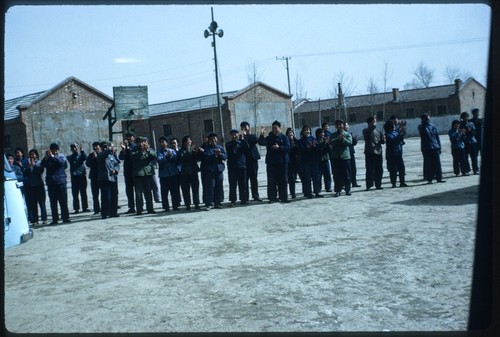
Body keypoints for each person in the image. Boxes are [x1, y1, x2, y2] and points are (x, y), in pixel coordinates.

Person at [258, 120, 290, 203]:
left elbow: (288, 147)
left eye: (276, 128)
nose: (274, 130)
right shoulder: (269, 137)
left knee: (283, 180)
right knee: (271, 181)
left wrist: (279, 147)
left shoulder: (284, 137)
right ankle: (272, 198)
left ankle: (283, 197)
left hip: (282, 162)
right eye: (273, 128)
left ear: (280, 128)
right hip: (271, 163)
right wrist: (262, 134)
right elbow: (261, 142)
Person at [41, 143, 71, 224]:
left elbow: (61, 163)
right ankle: (55, 219)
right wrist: (46, 158)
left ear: (57, 149)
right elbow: (42, 165)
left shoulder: (60, 156)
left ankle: (65, 217)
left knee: (63, 201)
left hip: (60, 182)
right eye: (52, 149)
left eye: (54, 149)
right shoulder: (48, 158)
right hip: (51, 183)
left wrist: (53, 157)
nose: (53, 151)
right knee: (53, 202)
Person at [130, 136, 157, 215]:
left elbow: (154, 155)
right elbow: (133, 157)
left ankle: (150, 209)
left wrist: (147, 150)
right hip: (138, 174)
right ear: (137, 143)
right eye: (140, 142)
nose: (142, 144)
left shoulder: (148, 149)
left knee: (148, 192)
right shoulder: (134, 149)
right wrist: (141, 151)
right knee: (138, 193)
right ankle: (139, 209)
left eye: (143, 142)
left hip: (147, 173)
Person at [201, 133, 227, 210]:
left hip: (219, 170)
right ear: (209, 140)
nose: (213, 140)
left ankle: (218, 202)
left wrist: (220, 155)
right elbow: (206, 157)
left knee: (219, 186)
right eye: (212, 139)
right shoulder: (207, 148)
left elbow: (225, 156)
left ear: (217, 139)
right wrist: (214, 155)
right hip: (210, 171)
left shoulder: (220, 148)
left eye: (215, 139)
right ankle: (209, 203)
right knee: (210, 187)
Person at [327, 120, 352, 197]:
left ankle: (348, 189)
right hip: (335, 157)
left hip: (345, 157)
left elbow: (349, 143)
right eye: (337, 125)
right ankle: (338, 190)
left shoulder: (347, 134)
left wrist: (343, 139)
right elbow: (330, 142)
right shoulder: (333, 135)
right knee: (336, 175)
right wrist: (338, 139)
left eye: (340, 124)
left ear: (343, 125)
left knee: (347, 174)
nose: (339, 126)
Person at [23, 149, 48, 225]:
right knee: (33, 205)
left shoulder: (40, 163)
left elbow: (40, 171)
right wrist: (29, 166)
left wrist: (34, 165)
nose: (32, 156)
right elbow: (25, 173)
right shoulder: (27, 164)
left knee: (42, 204)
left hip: (39, 186)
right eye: (30, 154)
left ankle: (44, 219)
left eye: (33, 154)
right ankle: (35, 220)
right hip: (31, 187)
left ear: (36, 155)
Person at [418, 113, 445, 184]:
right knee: (428, 164)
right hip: (426, 148)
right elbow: (422, 133)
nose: (428, 120)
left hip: (435, 146)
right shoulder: (421, 126)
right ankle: (429, 179)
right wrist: (423, 123)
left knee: (437, 163)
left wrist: (439, 147)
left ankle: (439, 178)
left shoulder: (432, 126)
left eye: (428, 118)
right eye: (426, 119)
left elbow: (437, 137)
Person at [156, 136, 181, 212]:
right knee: (164, 192)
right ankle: (166, 207)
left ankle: (175, 205)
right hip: (164, 175)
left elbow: (177, 160)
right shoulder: (159, 152)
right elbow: (159, 161)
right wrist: (166, 157)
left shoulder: (171, 151)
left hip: (173, 174)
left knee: (174, 191)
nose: (162, 144)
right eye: (160, 142)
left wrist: (171, 156)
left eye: (163, 142)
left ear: (166, 143)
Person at [297, 126, 323, 198]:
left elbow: (318, 149)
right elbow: (300, 150)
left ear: (310, 131)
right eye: (305, 130)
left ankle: (317, 192)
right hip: (305, 162)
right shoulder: (301, 141)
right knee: (307, 178)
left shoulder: (313, 139)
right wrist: (307, 147)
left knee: (316, 177)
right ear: (302, 132)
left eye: (307, 130)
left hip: (314, 161)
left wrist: (315, 146)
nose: (306, 131)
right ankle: (308, 193)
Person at [226, 129, 249, 206]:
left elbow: (247, 147)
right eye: (232, 134)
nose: (234, 136)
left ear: (238, 135)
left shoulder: (242, 143)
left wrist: (242, 139)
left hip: (241, 166)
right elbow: (230, 150)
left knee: (243, 184)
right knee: (232, 184)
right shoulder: (228, 144)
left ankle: (244, 199)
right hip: (232, 167)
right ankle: (233, 200)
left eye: (235, 134)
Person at [177, 135, 201, 210]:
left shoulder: (193, 150)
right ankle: (188, 205)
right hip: (184, 173)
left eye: (190, 140)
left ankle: (196, 203)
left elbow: (198, 158)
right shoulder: (181, 151)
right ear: (184, 142)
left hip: (193, 172)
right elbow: (182, 158)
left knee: (195, 189)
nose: (190, 142)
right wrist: (189, 151)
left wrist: (198, 152)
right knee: (185, 190)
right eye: (188, 141)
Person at [240, 121, 262, 202]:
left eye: (246, 127)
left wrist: (247, 135)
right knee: (244, 180)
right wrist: (243, 137)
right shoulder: (240, 137)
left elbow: (256, 141)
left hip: (253, 160)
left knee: (254, 179)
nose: (244, 129)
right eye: (243, 128)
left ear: (249, 128)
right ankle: (245, 198)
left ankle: (255, 196)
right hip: (244, 161)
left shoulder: (252, 136)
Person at [97, 141, 120, 219]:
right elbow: (102, 156)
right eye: (105, 146)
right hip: (105, 179)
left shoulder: (111, 155)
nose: (107, 148)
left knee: (114, 196)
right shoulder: (100, 154)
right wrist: (108, 150)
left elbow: (117, 164)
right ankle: (105, 213)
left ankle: (113, 212)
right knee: (106, 197)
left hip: (113, 178)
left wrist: (115, 170)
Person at [362, 116, 385, 190]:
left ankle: (378, 184)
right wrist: (371, 127)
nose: (375, 123)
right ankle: (369, 185)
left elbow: (382, 142)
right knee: (370, 169)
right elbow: (367, 135)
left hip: (378, 151)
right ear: (369, 123)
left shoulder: (378, 131)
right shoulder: (365, 130)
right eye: (373, 121)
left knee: (379, 169)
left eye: (375, 121)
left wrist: (383, 138)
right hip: (370, 152)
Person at [384, 120, 408, 188]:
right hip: (391, 154)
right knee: (393, 169)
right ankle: (393, 183)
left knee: (401, 168)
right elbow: (393, 140)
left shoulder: (395, 132)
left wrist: (403, 129)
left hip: (398, 152)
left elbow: (401, 137)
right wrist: (400, 134)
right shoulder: (387, 134)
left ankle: (402, 182)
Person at [67, 143, 90, 214]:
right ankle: (76, 208)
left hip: (82, 175)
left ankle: (85, 207)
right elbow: (72, 158)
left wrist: (82, 151)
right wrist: (76, 153)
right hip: (74, 176)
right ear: (71, 149)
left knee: (83, 192)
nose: (74, 148)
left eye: (75, 147)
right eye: (73, 147)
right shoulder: (70, 157)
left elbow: (86, 158)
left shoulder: (81, 156)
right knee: (75, 193)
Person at [119, 132, 137, 214]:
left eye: (130, 137)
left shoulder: (135, 146)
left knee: (137, 190)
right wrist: (123, 150)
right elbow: (121, 157)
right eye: (128, 137)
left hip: (134, 170)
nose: (129, 139)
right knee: (129, 190)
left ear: (133, 138)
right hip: (127, 171)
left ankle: (139, 206)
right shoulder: (125, 148)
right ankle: (131, 207)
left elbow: (132, 156)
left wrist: (128, 148)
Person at [85, 142, 102, 215]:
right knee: (95, 194)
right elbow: (87, 164)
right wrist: (92, 158)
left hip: (101, 176)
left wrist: (97, 158)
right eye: (94, 147)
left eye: (96, 146)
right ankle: (96, 209)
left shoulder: (102, 154)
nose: (95, 148)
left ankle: (104, 207)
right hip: (94, 177)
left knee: (103, 193)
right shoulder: (91, 155)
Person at [344, 122, 360, 188]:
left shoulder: (350, 134)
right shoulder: (342, 134)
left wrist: (355, 140)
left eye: (347, 125)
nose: (346, 126)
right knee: (347, 169)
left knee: (353, 169)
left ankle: (354, 182)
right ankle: (347, 184)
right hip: (345, 154)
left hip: (351, 153)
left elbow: (352, 143)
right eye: (345, 125)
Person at [316, 128, 332, 193]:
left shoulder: (326, 139)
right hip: (319, 160)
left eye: (323, 133)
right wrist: (324, 143)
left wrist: (328, 144)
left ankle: (328, 187)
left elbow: (330, 148)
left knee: (327, 174)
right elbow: (318, 148)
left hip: (326, 159)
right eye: (321, 133)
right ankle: (318, 188)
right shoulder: (316, 140)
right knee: (319, 176)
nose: (322, 134)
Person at [286, 128, 300, 199]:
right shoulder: (285, 141)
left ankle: (306, 191)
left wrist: (296, 147)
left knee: (298, 177)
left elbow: (299, 150)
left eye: (291, 133)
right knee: (291, 179)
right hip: (289, 162)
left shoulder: (297, 141)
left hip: (296, 162)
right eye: (288, 133)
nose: (290, 134)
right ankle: (292, 193)